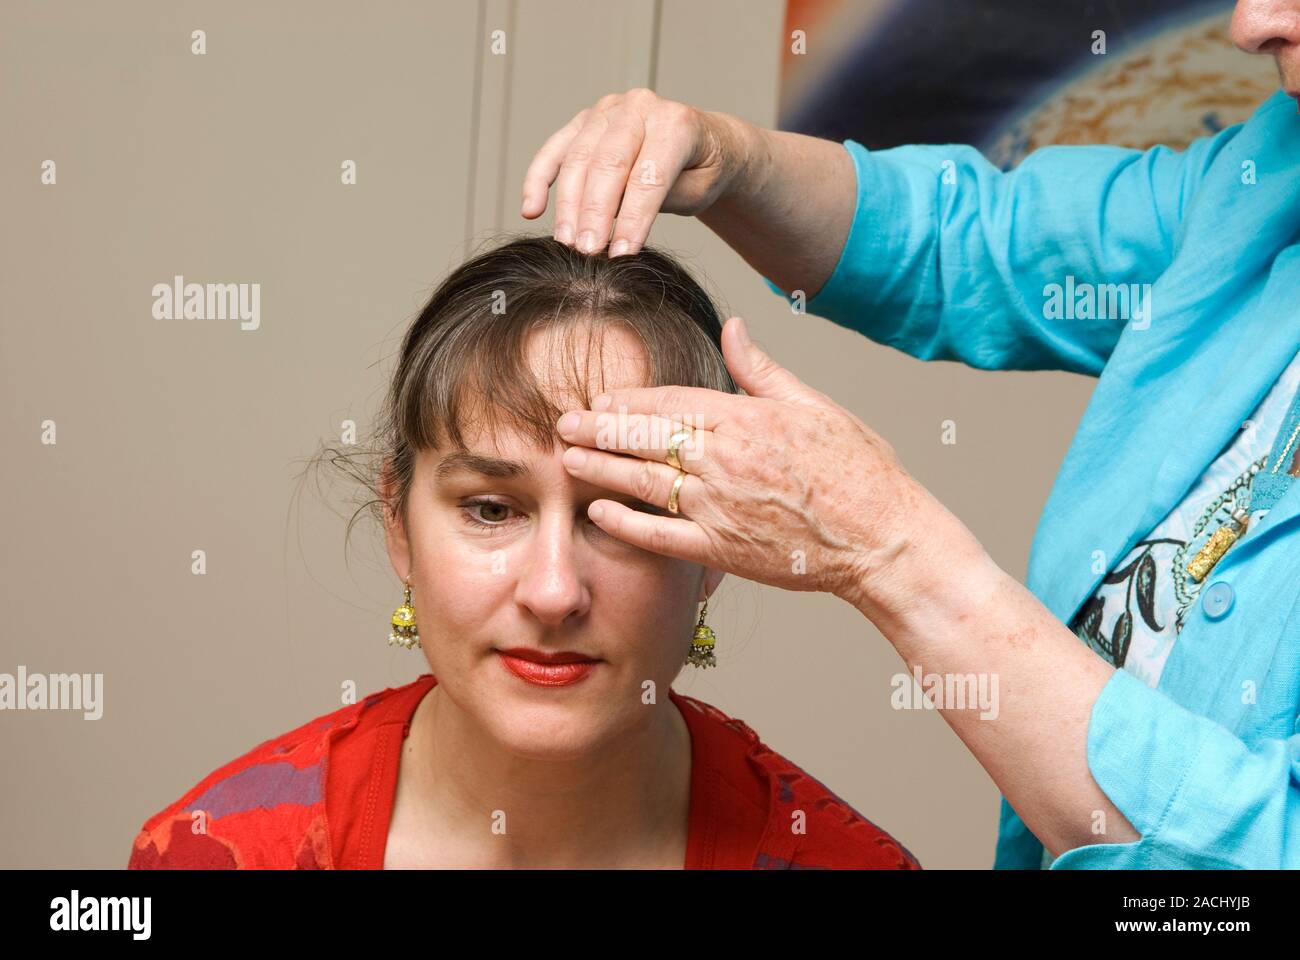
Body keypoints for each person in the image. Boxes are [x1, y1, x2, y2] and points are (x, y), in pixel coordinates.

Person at [521, 0, 1300, 868]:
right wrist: (732, 159)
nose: (1253, 24)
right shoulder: (1268, 178)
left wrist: (891, 550)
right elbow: (969, 241)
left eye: (609, 513)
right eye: (491, 508)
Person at [125, 236, 920, 870]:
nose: (552, 592)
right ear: (399, 528)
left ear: (712, 549)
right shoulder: (220, 854)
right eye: (492, 509)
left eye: (621, 514)